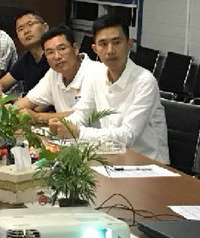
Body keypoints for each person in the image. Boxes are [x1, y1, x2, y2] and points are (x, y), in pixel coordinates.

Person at [49, 15, 169, 164]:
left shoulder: (144, 81)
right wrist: (65, 125)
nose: (110, 50)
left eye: (116, 42)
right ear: (95, 49)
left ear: (129, 44)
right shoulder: (95, 76)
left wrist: (78, 132)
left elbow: (127, 136)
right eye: (103, 44)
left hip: (149, 165)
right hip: (112, 158)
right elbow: (82, 113)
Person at [14, 24, 106, 124]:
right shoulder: (54, 73)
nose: (57, 56)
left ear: (75, 49)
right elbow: (26, 101)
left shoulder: (96, 72)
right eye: (50, 52)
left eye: (62, 49)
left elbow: (82, 115)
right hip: (64, 133)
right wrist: (12, 110)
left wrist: (38, 117)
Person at [0, 10, 49, 97]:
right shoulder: (26, 59)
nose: (26, 31)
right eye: (21, 29)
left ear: (45, 27)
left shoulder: (55, 55)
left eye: (30, 24)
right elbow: (0, 84)